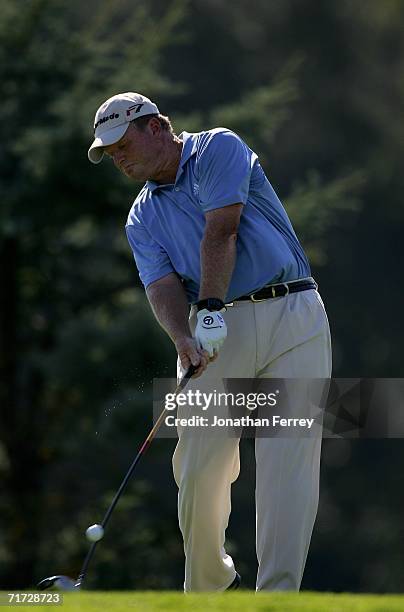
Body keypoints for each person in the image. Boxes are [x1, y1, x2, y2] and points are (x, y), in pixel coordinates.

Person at [88, 92, 332, 592]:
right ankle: (208, 589)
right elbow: (161, 286)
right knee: (199, 469)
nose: (119, 157)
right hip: (214, 332)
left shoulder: (217, 148)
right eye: (110, 153)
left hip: (292, 315)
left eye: (123, 144)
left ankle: (277, 598)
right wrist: (183, 337)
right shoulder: (140, 217)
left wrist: (212, 308)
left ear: (156, 127)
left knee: (289, 465)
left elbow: (222, 230)